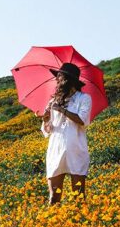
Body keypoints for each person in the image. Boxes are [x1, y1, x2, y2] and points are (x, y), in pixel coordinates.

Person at [38, 62, 93, 205]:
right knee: (54, 197)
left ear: (68, 80)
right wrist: (45, 119)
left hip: (76, 150)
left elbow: (81, 120)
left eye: (59, 78)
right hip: (56, 149)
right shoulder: (53, 101)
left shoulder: (84, 98)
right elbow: (48, 130)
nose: (57, 81)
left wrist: (62, 110)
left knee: (79, 195)